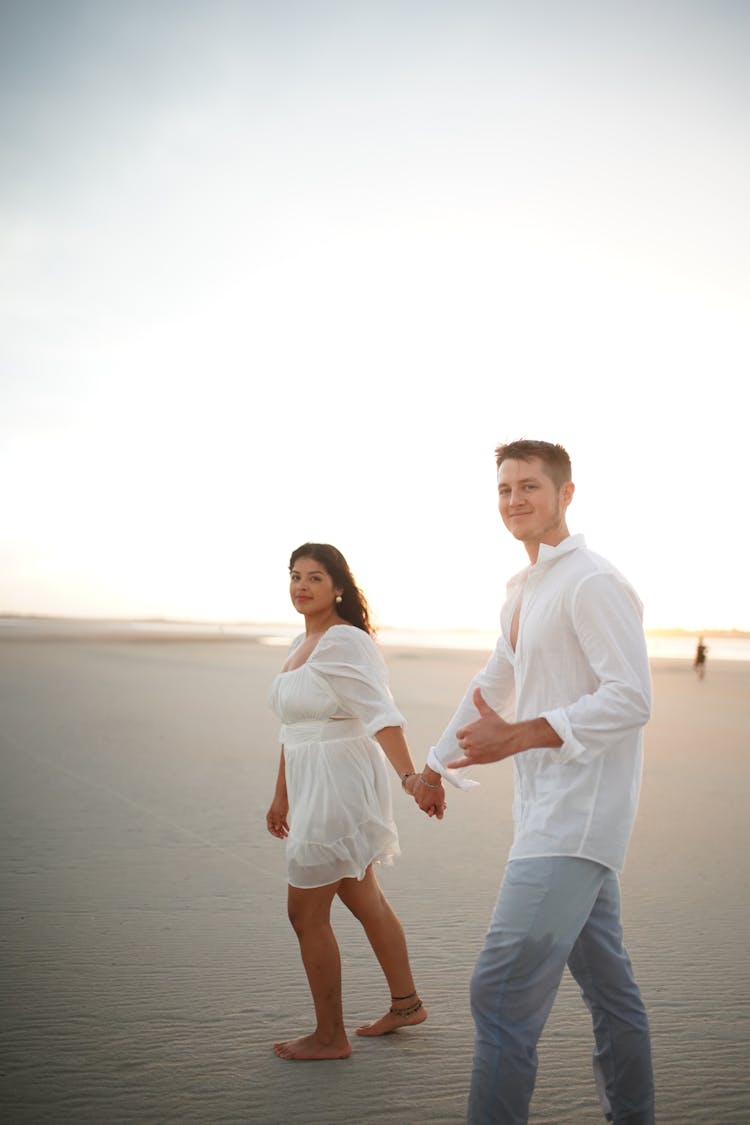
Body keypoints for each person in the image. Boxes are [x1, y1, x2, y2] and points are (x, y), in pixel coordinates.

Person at [411, 440, 655, 1124]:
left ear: (565, 493)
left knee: (499, 993)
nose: (514, 500)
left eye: (529, 487)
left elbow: (631, 697)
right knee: (611, 994)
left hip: (573, 821)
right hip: (552, 815)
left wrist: (519, 735)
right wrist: (435, 764)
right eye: (504, 489)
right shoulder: (524, 591)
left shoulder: (590, 581)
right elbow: (493, 685)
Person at [266, 542, 434, 1061]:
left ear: (338, 587)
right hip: (310, 778)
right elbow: (293, 728)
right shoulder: (303, 640)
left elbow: (381, 713)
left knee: (304, 912)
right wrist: (280, 795)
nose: (302, 585)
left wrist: (410, 777)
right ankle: (406, 1005)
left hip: (339, 784)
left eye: (315, 577)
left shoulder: (344, 641)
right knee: (364, 897)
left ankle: (330, 1037)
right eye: (295, 576)